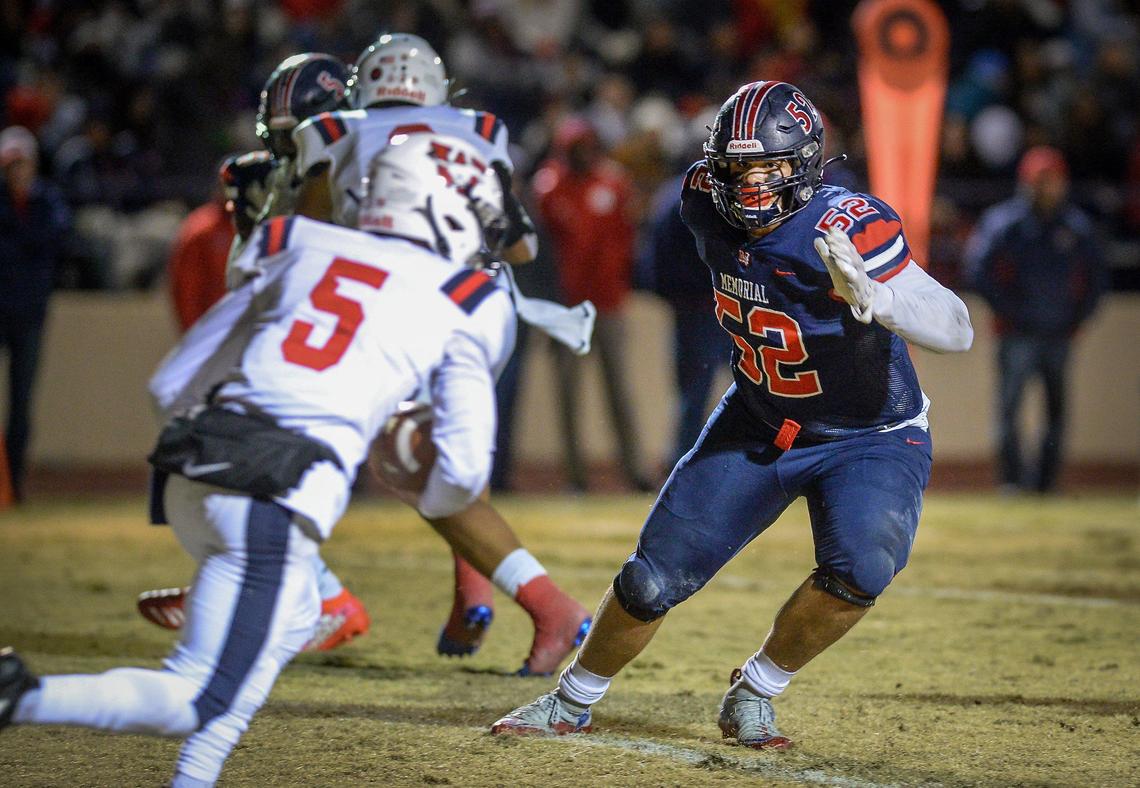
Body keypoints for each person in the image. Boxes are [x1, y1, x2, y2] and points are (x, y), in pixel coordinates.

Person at [0, 133, 548, 786]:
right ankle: (19, 694)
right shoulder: (467, 299)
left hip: (188, 470)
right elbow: (458, 475)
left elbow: (170, 386)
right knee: (197, 696)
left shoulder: (296, 240)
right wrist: (404, 458)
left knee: (280, 631)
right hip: (274, 489)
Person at [491, 81, 973, 747]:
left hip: (870, 436)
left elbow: (956, 325)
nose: (750, 186)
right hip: (759, 415)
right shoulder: (698, 200)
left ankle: (756, 689)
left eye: (769, 168)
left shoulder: (849, 223)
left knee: (863, 568)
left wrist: (881, 300)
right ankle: (570, 700)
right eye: (737, 168)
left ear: (803, 165)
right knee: (650, 577)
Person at [288, 33, 590, 671]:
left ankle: (316, 594)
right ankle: (489, 592)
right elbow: (522, 247)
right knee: (446, 463)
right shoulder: (478, 131)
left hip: (408, 306)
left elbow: (307, 240)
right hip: (489, 305)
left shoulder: (339, 130)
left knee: (398, 454)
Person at [136, 53, 372, 654]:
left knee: (235, 456)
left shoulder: (368, 177)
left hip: (347, 352)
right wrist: (251, 223)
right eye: (283, 137)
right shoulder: (287, 179)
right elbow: (250, 276)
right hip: (299, 347)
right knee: (198, 454)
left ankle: (279, 595)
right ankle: (266, 584)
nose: (288, 150)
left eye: (299, 136)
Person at [966, 146, 1106, 494]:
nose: (1048, 187)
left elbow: (1096, 279)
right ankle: (1012, 480)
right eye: (1042, 179)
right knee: (1009, 411)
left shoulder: (1076, 227)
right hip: (1016, 334)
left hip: (1058, 333)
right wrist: (1009, 312)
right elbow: (978, 270)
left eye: (1054, 179)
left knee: (1055, 413)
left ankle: (1046, 483)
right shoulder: (1005, 224)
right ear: (1026, 182)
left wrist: (1077, 318)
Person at [531, 117, 652, 491]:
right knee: (568, 393)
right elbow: (542, 253)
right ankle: (575, 476)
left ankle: (635, 470)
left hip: (608, 301)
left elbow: (627, 241)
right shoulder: (549, 187)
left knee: (619, 389)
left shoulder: (613, 183)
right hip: (568, 308)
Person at [0, 126, 71, 502]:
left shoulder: (47, 202)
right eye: (10, 165)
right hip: (10, 307)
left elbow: (57, 239)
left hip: (29, 313)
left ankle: (15, 481)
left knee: (21, 403)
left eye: (21, 163)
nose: (17, 172)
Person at [639, 173, 729, 469]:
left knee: (694, 394)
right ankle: (685, 462)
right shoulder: (684, 196)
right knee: (699, 392)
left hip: (703, 307)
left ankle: (684, 463)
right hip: (709, 307)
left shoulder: (672, 194)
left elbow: (655, 258)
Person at [167, 176, 233, 333]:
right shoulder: (202, 229)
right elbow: (187, 288)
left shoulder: (256, 224)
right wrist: (195, 333)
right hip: (211, 328)